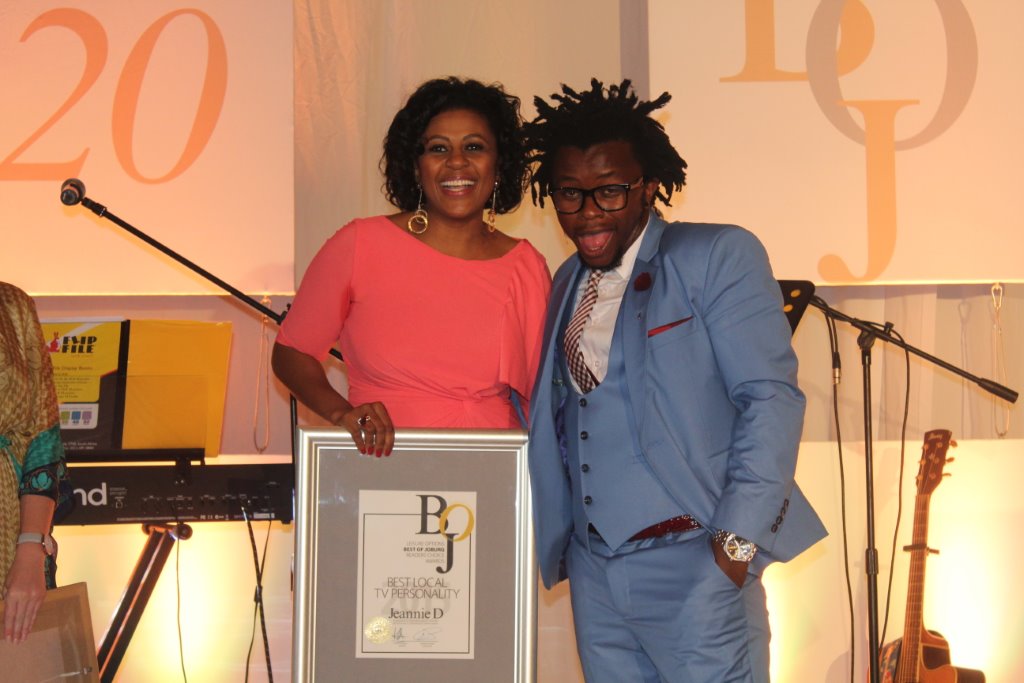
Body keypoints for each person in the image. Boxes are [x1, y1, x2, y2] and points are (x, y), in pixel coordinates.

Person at [524, 79, 827, 682]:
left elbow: (770, 400)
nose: (588, 212)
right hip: (595, 574)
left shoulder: (714, 254)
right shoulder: (565, 281)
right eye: (569, 194)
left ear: (648, 185)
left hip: (697, 563)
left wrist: (734, 549)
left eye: (610, 191)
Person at [273, 77, 550, 452]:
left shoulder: (526, 265)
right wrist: (342, 413)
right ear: (416, 167)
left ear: (499, 165)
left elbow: (545, 400)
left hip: (494, 469)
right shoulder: (360, 245)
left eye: (474, 146)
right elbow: (291, 353)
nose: (457, 161)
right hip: (383, 467)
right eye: (438, 148)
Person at [1, 282, 71, 644]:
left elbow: (44, 439)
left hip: (8, 532)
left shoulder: (12, 306)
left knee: (18, 656)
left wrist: (31, 550)